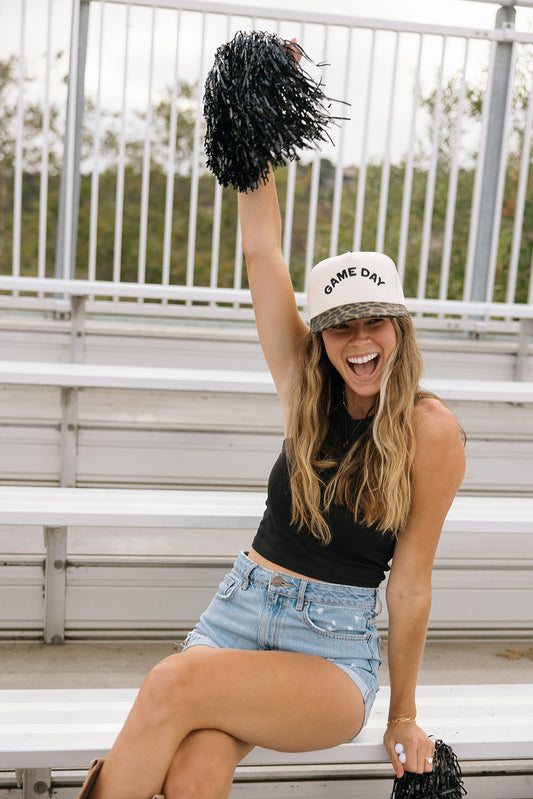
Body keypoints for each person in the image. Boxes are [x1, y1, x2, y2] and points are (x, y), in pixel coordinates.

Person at [77, 68, 465, 799]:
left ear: (399, 328)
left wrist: (404, 714)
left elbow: (411, 583)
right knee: (193, 775)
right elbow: (263, 251)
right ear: (320, 337)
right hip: (237, 611)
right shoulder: (304, 388)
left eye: (374, 322)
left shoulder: (430, 430)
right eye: (340, 327)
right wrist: (252, 101)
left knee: (170, 683)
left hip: (332, 648)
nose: (359, 341)